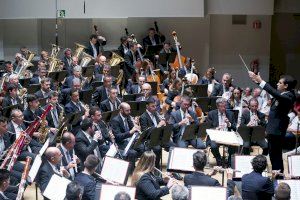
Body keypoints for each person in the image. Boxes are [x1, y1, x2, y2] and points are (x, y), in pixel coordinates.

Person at [248, 72, 297, 172]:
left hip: (277, 131)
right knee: (273, 154)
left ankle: (278, 175)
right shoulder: (283, 94)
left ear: (286, 86)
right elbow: (274, 92)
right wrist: (257, 81)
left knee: (276, 156)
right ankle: (276, 174)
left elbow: (274, 92)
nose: (277, 84)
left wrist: (261, 81)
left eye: (280, 83)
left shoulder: (289, 96)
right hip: (273, 130)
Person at [206, 97, 236, 166]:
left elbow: (235, 128)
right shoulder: (211, 114)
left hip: (227, 135)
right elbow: (208, 128)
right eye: (221, 107)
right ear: (217, 106)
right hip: (216, 136)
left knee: (233, 144)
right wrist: (216, 128)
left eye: (225, 106)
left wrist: (229, 124)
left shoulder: (230, 114)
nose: (223, 108)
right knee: (213, 146)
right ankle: (219, 160)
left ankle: (229, 162)